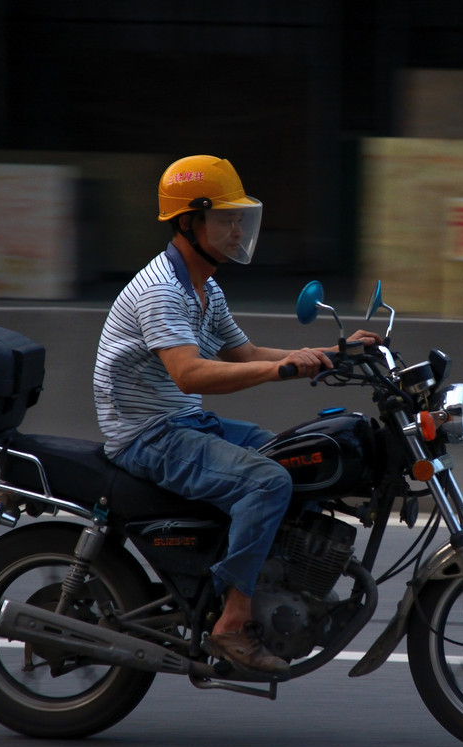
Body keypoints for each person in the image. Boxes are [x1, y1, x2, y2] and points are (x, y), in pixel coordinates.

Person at [94, 155, 379, 675]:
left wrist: (331, 355)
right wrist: (283, 372)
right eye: (225, 219)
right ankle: (232, 621)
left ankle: (278, 579)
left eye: (239, 219)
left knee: (291, 455)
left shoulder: (206, 287)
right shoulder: (162, 289)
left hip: (183, 422)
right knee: (266, 482)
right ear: (188, 221)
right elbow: (190, 375)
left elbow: (242, 354)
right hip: (148, 434)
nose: (236, 230)